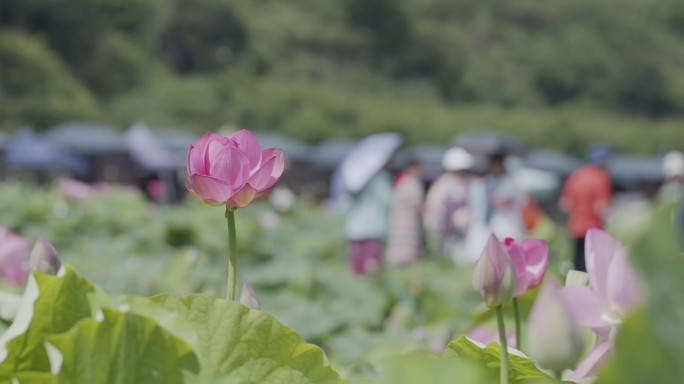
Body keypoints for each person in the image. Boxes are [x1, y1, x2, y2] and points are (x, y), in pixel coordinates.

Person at [559, 143, 613, 272]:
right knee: (592, 269)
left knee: (577, 267)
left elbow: (564, 205)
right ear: (603, 161)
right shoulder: (601, 178)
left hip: (575, 229)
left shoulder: (575, 176)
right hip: (594, 230)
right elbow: (601, 208)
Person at [424, 147, 475, 260]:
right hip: (445, 223)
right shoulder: (442, 183)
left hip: (462, 226)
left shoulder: (467, 182)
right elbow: (435, 204)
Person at [345, 168, 393, 275]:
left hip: (355, 226)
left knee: (357, 265)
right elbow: (388, 199)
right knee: (372, 264)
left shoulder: (356, 178)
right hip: (373, 226)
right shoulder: (380, 178)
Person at [386, 159, 425, 265]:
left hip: (397, 220)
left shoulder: (400, 181)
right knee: (408, 248)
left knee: (398, 246)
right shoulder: (412, 183)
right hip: (408, 221)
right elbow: (417, 204)